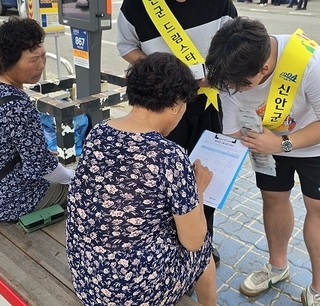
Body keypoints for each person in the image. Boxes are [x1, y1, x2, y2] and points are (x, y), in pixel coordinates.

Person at [205, 17, 320, 306]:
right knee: (272, 199)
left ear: (264, 69)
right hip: (265, 143)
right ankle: (277, 267)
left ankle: (319, 291)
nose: (235, 90)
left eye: (242, 85)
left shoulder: (311, 61)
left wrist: (281, 143)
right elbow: (232, 132)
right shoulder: (231, 72)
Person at [116, 0, 238, 267]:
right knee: (158, 178)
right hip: (159, 106)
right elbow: (126, 46)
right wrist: (161, 73)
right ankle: (164, 242)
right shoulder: (139, 0)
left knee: (205, 176)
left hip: (206, 104)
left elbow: (234, 51)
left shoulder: (219, 3)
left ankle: (201, 243)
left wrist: (214, 75)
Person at [66, 53, 216, 306]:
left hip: (87, 277)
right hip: (132, 294)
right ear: (175, 105)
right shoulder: (169, 155)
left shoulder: (99, 132)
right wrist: (197, 188)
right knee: (204, 250)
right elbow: (192, 241)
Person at [0, 18, 75, 222]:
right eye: (34, 60)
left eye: (44, 56)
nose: (41, 65)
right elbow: (42, 167)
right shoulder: (17, 106)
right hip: (9, 202)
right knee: (84, 189)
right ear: (6, 61)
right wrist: (73, 177)